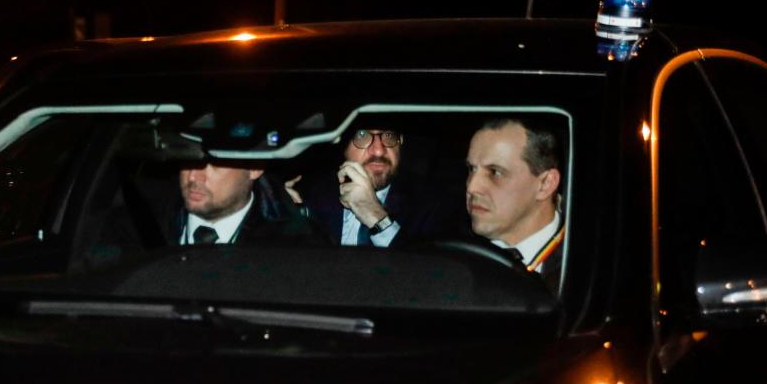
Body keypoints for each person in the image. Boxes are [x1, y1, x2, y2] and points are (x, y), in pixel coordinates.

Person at [290, 127, 460, 247]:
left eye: (389, 135)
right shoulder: (310, 194)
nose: (378, 151)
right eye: (362, 135)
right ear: (343, 146)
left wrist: (376, 217)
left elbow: (429, 278)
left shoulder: (433, 203)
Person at [466, 118, 564, 291]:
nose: (472, 187)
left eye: (495, 172)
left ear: (545, 184)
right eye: (471, 169)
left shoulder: (588, 270)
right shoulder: (449, 255)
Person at [172, 160, 321, 245]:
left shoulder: (297, 247)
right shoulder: (152, 222)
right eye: (188, 159)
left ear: (254, 168)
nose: (193, 177)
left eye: (214, 164)